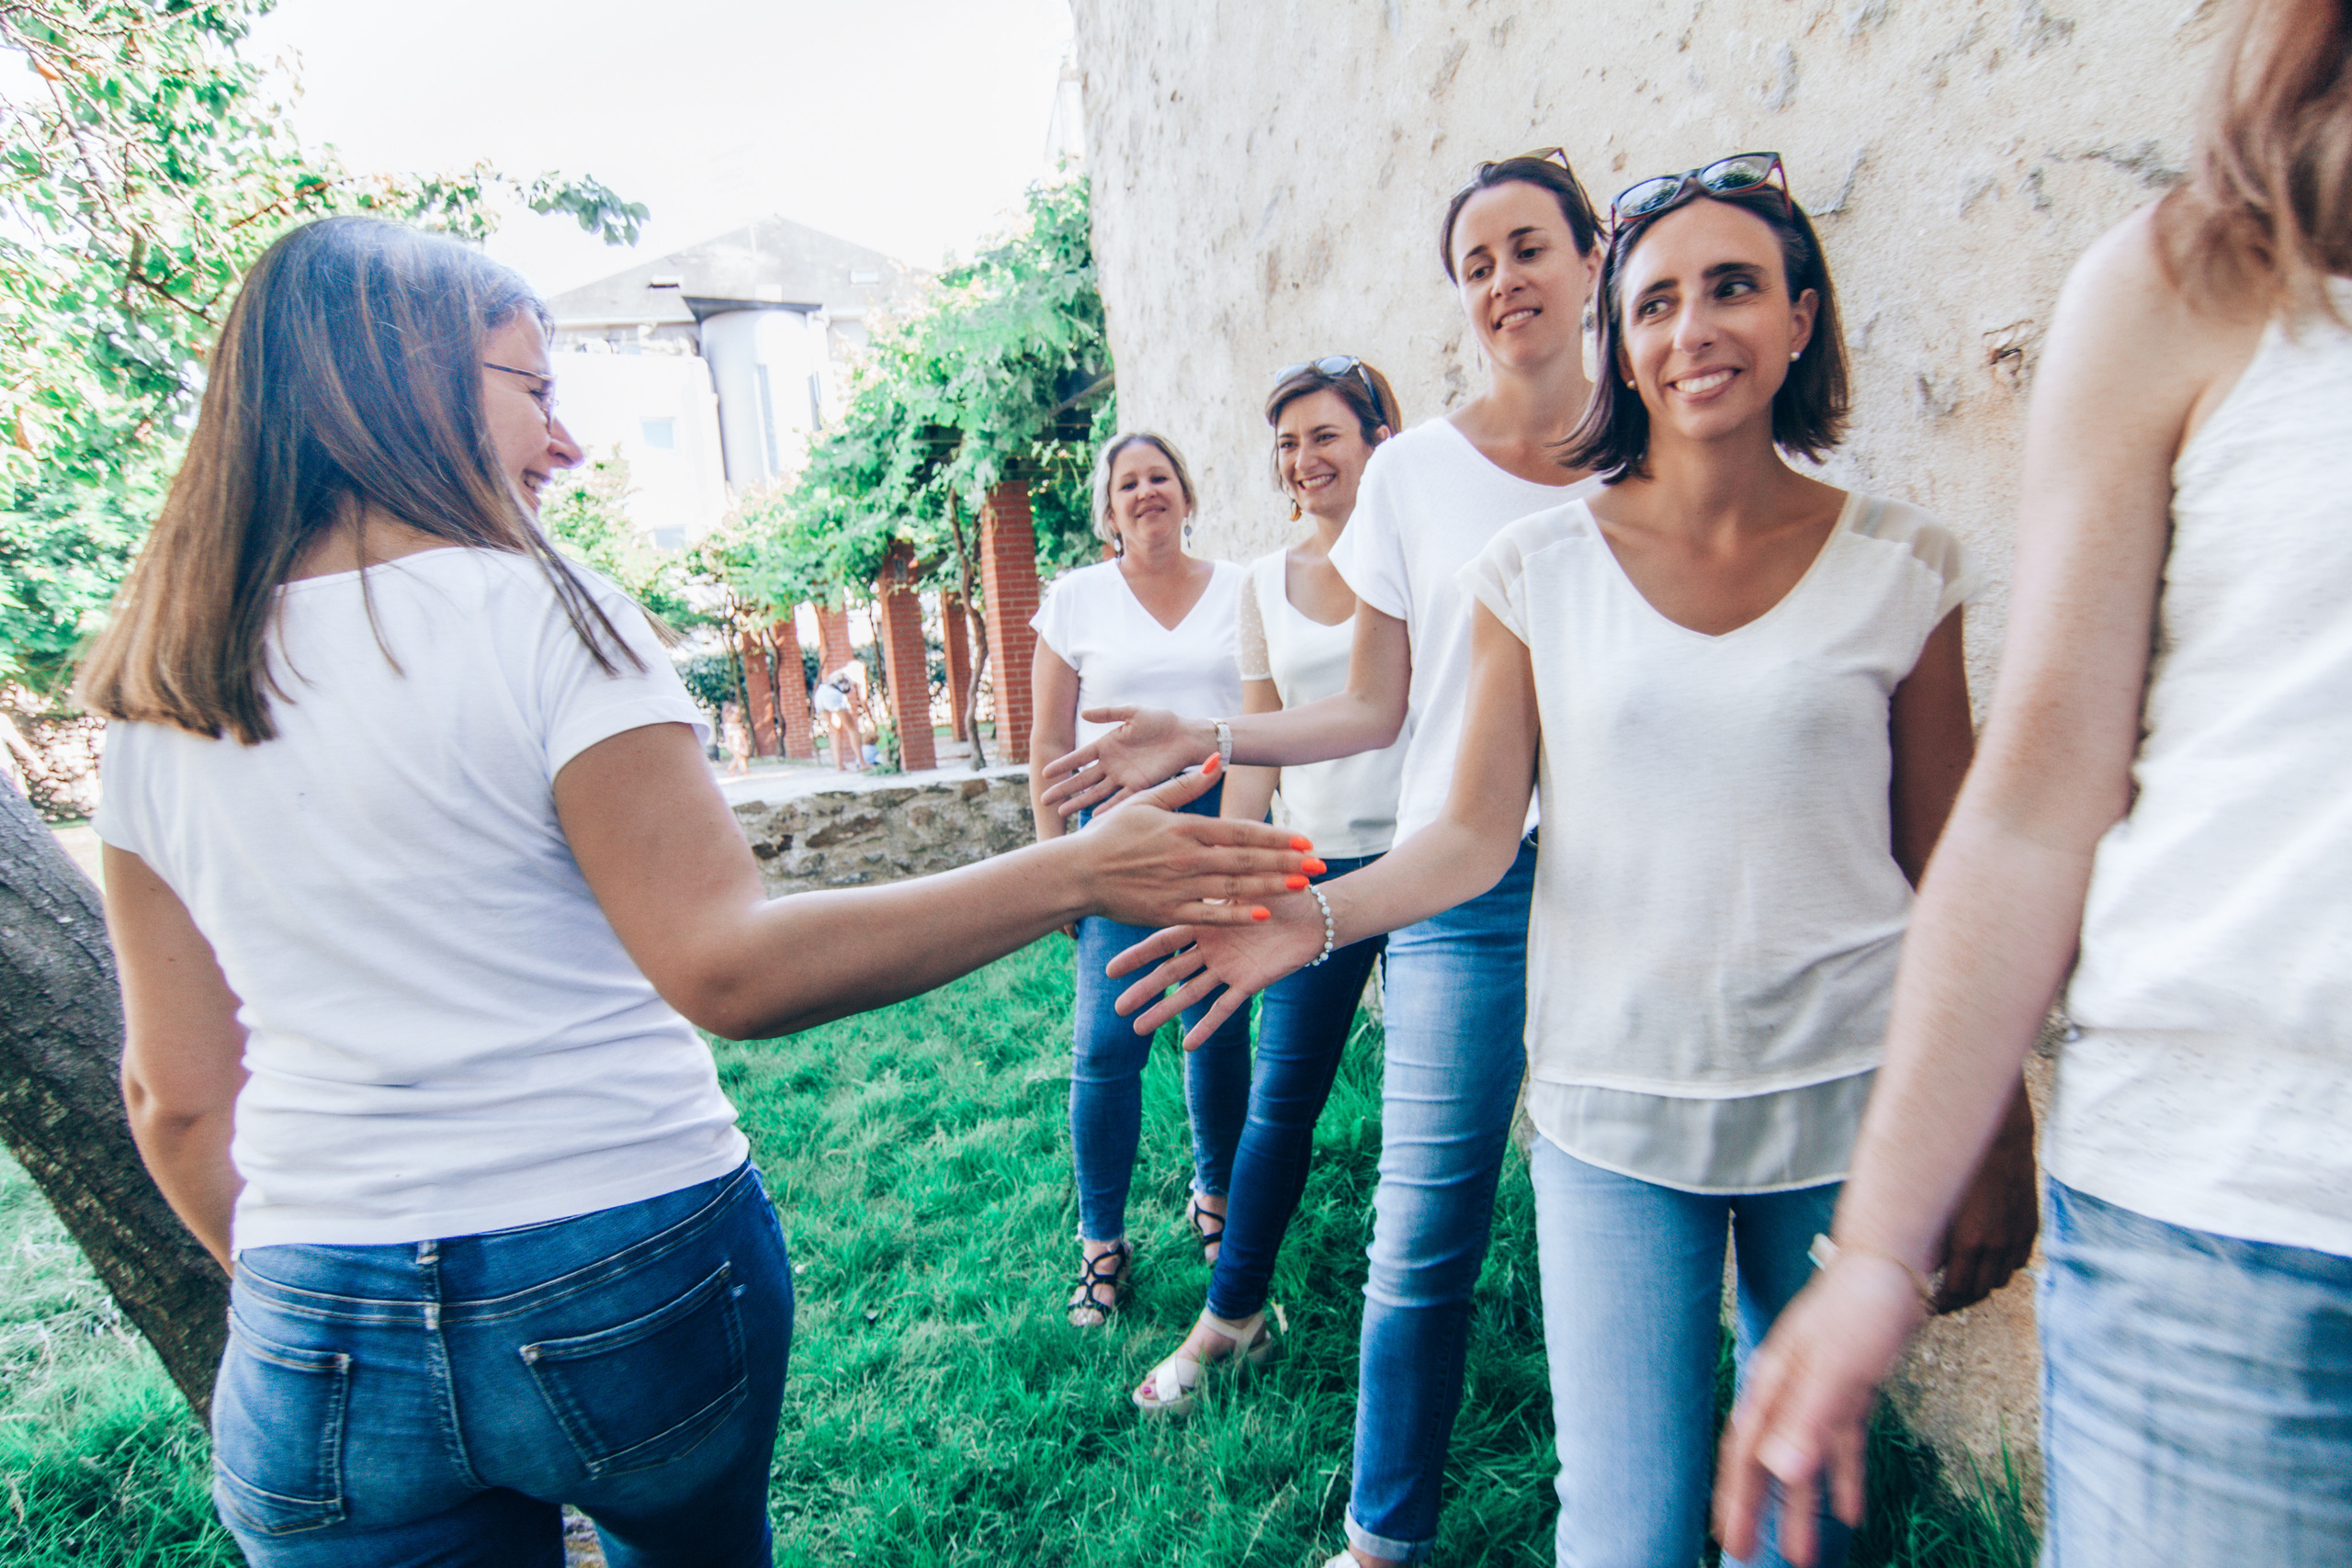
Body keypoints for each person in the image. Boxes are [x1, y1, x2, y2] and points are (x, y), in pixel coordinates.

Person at [75, 216, 1309, 1568]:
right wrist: (1077, 867)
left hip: (315, 1300)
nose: (568, 442)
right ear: (405, 380)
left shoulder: (157, 693)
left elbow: (175, 1097)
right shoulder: (542, 612)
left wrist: (319, 1295)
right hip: (617, 1262)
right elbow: (729, 967)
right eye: (535, 389)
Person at [1106, 156, 2036, 1568]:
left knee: (1803, 1529)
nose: (1692, 327)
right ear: (1629, 329)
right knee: (1621, 1528)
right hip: (1614, 1115)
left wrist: (1999, 1121)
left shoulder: (1905, 564)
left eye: (1731, 287)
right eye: (1661, 299)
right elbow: (1474, 830)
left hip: (1835, 1110)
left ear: (1801, 317)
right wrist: (1311, 918)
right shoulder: (1532, 568)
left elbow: (1958, 867)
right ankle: (1382, 1524)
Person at [1717, 3, 2352, 1561]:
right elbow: (2027, 805)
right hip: (2235, 1242)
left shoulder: (1891, 563)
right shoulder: (2199, 281)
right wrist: (1876, 1243)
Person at [1045, 150, 1608, 1565]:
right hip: (1450, 871)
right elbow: (1371, 702)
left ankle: (1644, 1487)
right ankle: (1379, 1534)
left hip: (1629, 868)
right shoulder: (1420, 479)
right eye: (1475, 263)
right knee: (1418, 1221)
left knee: (1624, 1186)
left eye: (1529, 247)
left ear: (1594, 258)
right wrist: (1202, 739)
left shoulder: (1654, 429)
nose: (1503, 281)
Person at [1131, 356, 1411, 1416]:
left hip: (1431, 867)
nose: (1303, 459)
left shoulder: (1421, 564)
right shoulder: (1261, 583)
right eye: (1288, 441)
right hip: (1313, 874)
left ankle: (1418, 1315)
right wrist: (1227, 869)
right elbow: (1255, 751)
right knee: (1279, 1107)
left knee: (1422, 1117)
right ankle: (1232, 1315)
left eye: (1325, 434)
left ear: (1378, 442)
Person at [1027, 431, 1266, 1326]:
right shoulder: (1075, 599)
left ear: (1186, 490)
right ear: (1108, 508)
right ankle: (1101, 1244)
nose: (1145, 492)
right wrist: (1056, 855)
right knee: (1105, 1044)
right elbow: (1049, 743)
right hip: (1114, 845)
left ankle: (1217, 1200)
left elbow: (1266, 716)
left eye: (1159, 476)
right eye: (1127, 483)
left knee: (1215, 1027)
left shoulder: (1243, 590)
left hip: (1223, 834)